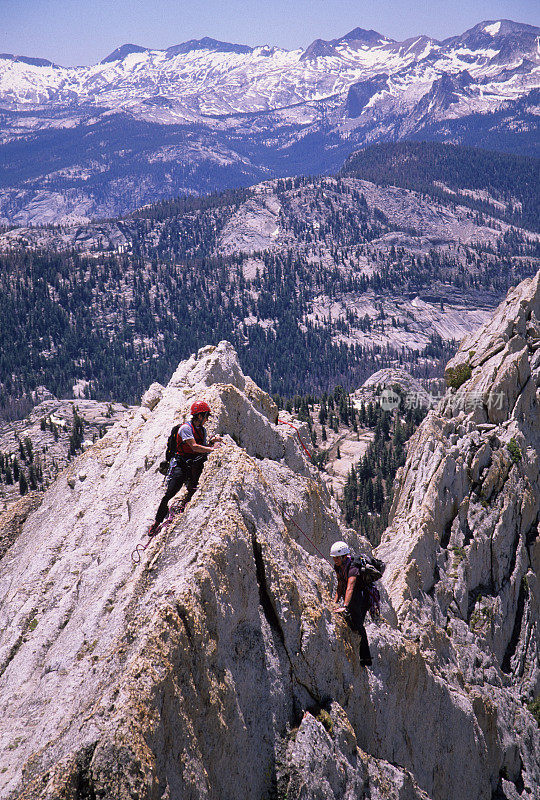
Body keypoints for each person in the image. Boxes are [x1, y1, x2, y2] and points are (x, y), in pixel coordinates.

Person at [148, 401, 223, 535]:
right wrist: (212, 449)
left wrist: (211, 442)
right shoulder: (185, 428)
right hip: (181, 464)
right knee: (169, 494)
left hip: (194, 463)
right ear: (199, 416)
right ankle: (157, 522)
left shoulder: (201, 430)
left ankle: (188, 502)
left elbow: (201, 445)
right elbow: (194, 446)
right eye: (206, 416)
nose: (207, 419)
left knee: (194, 489)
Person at [331, 540, 373, 667]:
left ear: (344, 556)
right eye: (333, 558)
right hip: (351, 596)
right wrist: (334, 602)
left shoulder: (353, 567)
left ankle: (366, 659)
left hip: (361, 598)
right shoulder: (339, 566)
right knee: (353, 624)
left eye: (337, 558)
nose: (335, 560)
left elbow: (350, 586)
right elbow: (340, 584)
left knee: (359, 626)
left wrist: (344, 606)